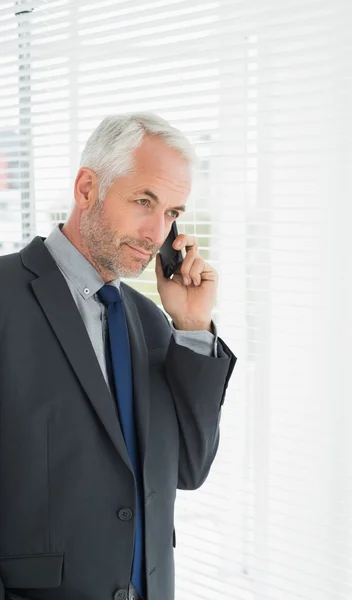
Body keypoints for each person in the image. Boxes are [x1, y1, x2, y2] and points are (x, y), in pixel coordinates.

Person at [0, 113, 236, 600]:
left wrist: (191, 329)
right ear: (88, 188)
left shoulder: (151, 322)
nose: (156, 232)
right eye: (143, 201)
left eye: (172, 213)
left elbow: (188, 469)